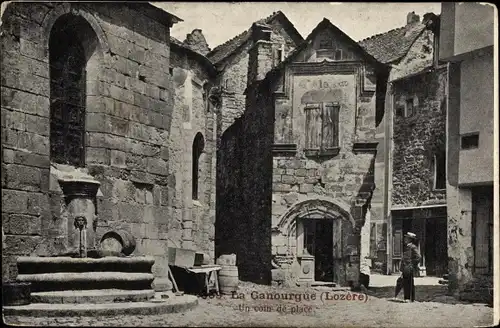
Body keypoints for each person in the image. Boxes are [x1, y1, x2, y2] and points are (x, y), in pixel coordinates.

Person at [399, 232, 421, 302]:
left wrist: (412, 264)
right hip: (406, 267)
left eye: (406, 238)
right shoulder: (407, 246)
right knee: (406, 282)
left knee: (409, 282)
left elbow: (418, 257)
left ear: (409, 239)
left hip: (409, 267)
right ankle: (408, 298)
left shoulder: (413, 247)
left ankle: (409, 298)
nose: (405, 239)